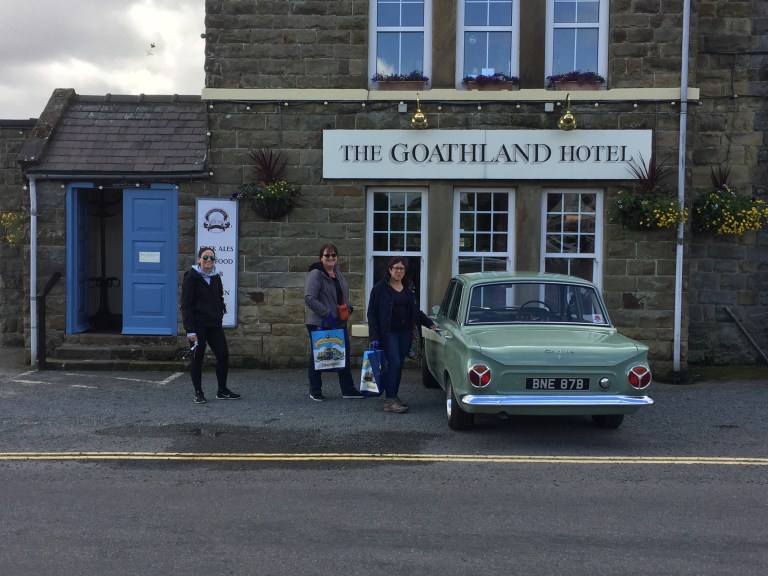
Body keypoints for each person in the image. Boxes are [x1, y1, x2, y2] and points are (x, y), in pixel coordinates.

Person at [367, 257, 437, 413]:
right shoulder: (379, 288)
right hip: (389, 333)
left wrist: (430, 323)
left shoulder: (408, 287)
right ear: (390, 270)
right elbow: (372, 313)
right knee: (395, 363)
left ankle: (394, 395)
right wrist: (374, 336)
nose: (399, 271)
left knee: (398, 365)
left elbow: (415, 311)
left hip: (405, 333)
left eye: (402, 269)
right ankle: (390, 401)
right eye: (396, 268)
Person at [304, 243, 365, 401]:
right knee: (319, 355)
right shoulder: (316, 274)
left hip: (338, 321)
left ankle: (348, 390)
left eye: (333, 255)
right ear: (321, 258)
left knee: (343, 354)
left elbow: (343, 294)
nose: (330, 258)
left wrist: (348, 308)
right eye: (327, 255)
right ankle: (315, 390)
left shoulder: (337, 272)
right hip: (320, 322)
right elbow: (309, 298)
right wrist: (327, 313)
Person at [181, 246, 241, 404]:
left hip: (214, 324)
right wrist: (190, 330)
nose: (209, 260)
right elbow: (186, 305)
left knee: (223, 355)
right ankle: (198, 393)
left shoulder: (215, 277)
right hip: (198, 326)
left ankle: (222, 390)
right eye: (205, 257)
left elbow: (219, 297)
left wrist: (219, 313)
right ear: (199, 260)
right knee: (197, 358)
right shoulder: (191, 277)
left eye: (212, 258)